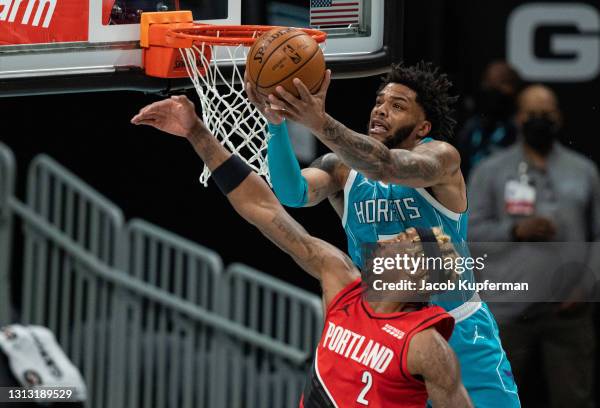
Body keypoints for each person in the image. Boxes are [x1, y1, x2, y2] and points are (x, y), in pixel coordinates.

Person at [130, 95, 473, 407]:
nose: (386, 240)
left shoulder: (426, 346)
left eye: (403, 239)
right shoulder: (342, 283)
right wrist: (197, 133)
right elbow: (264, 209)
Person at [246, 61, 520, 407]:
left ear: (423, 127)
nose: (381, 110)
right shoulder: (341, 169)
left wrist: (319, 121)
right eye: (379, 102)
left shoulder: (441, 159)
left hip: (460, 330)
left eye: (397, 105)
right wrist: (275, 126)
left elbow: (386, 165)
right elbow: (292, 193)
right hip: (391, 336)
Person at [468, 84, 600, 408]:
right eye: (531, 114)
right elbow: (471, 236)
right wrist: (515, 230)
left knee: (574, 400)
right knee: (495, 399)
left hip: (568, 310)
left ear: (558, 118)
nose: (539, 120)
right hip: (507, 311)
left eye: (546, 114)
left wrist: (585, 288)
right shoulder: (491, 171)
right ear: (518, 118)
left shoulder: (583, 170)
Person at [455, 61, 521, 178]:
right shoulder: (470, 127)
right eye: (488, 82)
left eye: (501, 82)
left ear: (513, 87)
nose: (492, 88)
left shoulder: (519, 128)